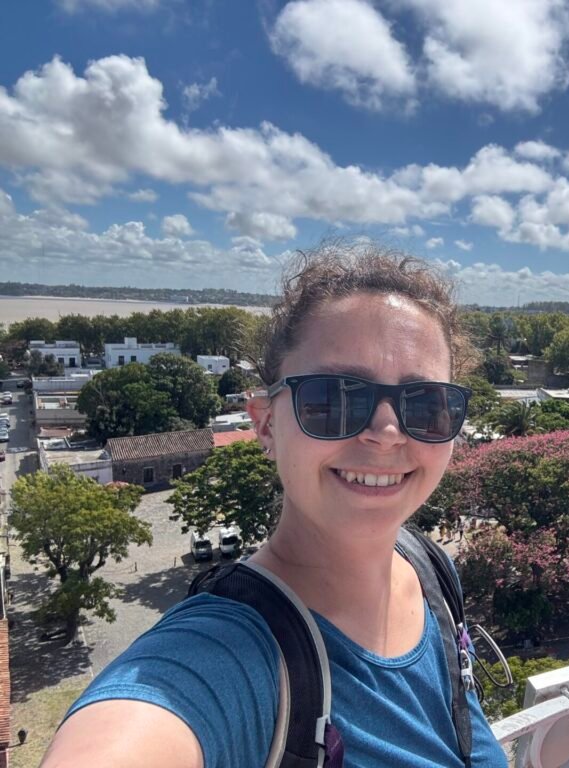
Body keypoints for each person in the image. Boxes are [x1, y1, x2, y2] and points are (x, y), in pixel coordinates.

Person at [42, 243, 508, 768]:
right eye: (333, 399)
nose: (386, 432)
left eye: (426, 404)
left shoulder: (433, 574)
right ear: (264, 423)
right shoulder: (228, 654)